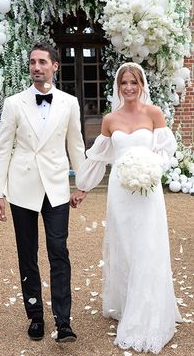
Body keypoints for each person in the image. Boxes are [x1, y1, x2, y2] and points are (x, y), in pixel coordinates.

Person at [71, 62, 182, 354]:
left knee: (148, 247)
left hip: (148, 191)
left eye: (134, 82)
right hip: (120, 195)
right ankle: (127, 303)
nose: (129, 88)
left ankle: (147, 313)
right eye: (124, 84)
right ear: (118, 88)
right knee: (125, 248)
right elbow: (98, 157)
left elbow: (166, 151)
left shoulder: (154, 113)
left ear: (142, 85)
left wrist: (150, 169)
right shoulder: (110, 119)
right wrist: (82, 185)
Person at [0, 42, 86, 342]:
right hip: (22, 190)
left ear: (55, 66)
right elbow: (3, 149)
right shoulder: (13, 103)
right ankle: (35, 317)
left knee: (59, 252)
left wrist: (81, 184)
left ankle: (64, 322)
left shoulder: (69, 103)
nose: (36, 67)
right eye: (32, 62)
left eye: (43, 62)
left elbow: (76, 145)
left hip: (56, 189)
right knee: (27, 255)